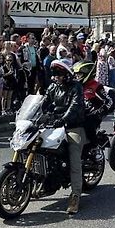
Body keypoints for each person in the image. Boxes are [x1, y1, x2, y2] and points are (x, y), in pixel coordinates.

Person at [43, 60, 86, 215]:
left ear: (67, 75)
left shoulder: (76, 87)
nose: (57, 77)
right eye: (55, 74)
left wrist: (62, 120)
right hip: (54, 125)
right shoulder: (52, 87)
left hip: (73, 126)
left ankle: (75, 196)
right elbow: (43, 102)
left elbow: (75, 107)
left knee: (74, 155)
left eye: (60, 74)